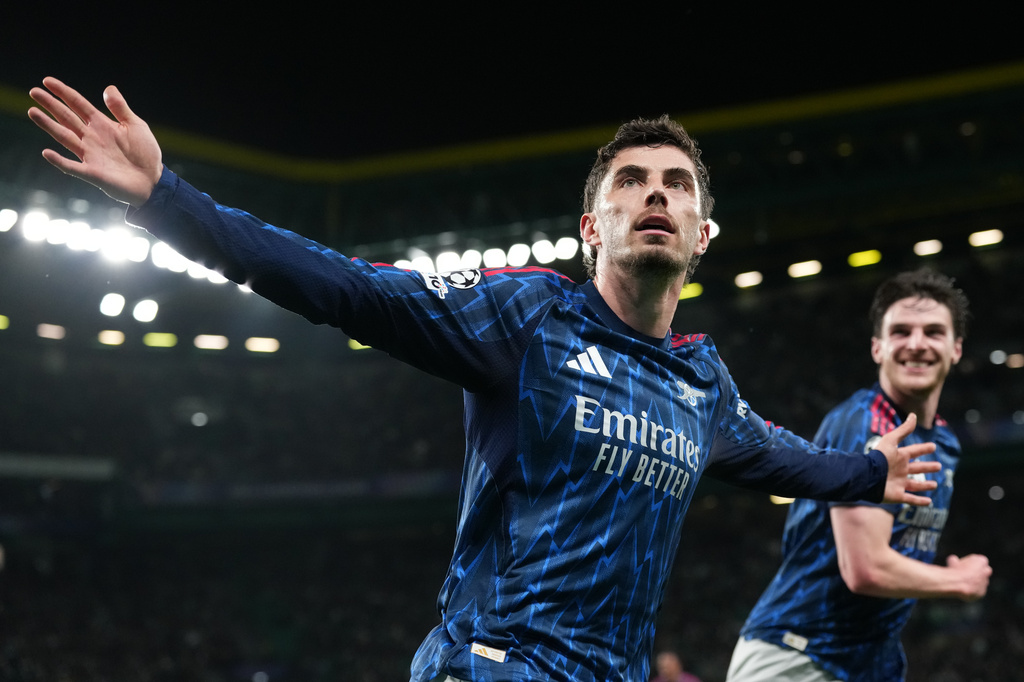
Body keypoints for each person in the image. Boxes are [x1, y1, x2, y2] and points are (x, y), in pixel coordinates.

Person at [28, 78, 941, 682]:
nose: (654, 194)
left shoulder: (704, 386)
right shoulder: (527, 319)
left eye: (675, 184)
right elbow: (348, 289)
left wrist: (871, 475)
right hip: (492, 665)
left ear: (704, 235)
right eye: (630, 182)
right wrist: (168, 201)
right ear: (592, 226)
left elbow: (783, 457)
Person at [727, 270, 992, 682]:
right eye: (901, 331)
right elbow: (865, 568)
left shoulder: (944, 441)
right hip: (799, 656)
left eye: (934, 332)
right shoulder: (864, 423)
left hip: (865, 662)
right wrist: (958, 581)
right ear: (877, 347)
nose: (917, 344)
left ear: (956, 348)